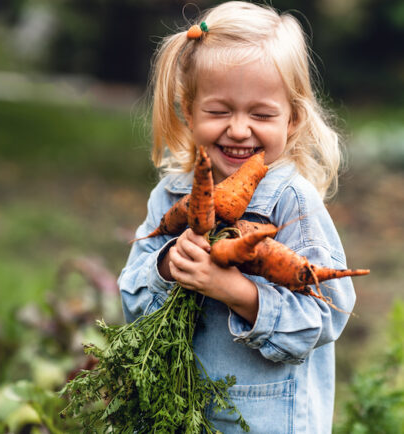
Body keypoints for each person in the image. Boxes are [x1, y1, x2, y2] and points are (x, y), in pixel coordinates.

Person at [118, 2, 356, 433]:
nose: (240, 129)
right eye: (219, 111)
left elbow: (328, 316)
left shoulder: (291, 202)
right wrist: (168, 265)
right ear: (189, 112)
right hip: (173, 414)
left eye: (261, 114)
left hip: (262, 422)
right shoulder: (171, 196)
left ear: (292, 119)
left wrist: (236, 291)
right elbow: (132, 299)